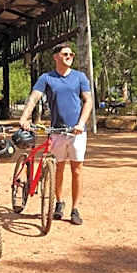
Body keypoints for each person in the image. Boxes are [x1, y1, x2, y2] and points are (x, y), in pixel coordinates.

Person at [19, 43, 93, 226]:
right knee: (57, 169)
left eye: (71, 54)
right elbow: (34, 98)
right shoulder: (46, 78)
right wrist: (24, 118)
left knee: (77, 170)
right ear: (56, 57)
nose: (69, 56)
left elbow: (88, 101)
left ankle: (75, 209)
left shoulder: (80, 77)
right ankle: (59, 202)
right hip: (57, 131)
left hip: (76, 131)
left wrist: (81, 124)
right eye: (65, 54)